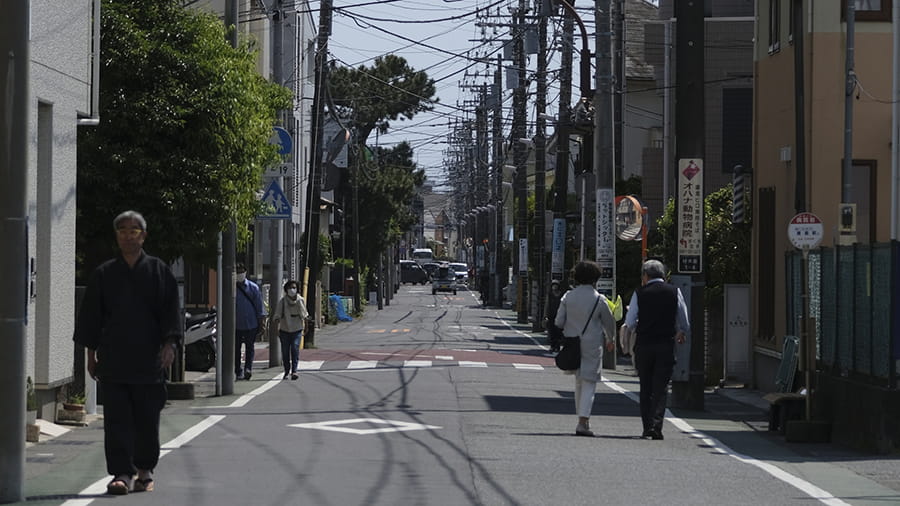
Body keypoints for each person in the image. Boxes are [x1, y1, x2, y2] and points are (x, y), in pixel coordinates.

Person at [73, 210, 182, 495]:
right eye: (122, 230)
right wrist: (90, 356)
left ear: (143, 236)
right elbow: (91, 319)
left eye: (134, 230)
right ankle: (122, 473)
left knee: (147, 418)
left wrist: (169, 345)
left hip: (150, 359)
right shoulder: (104, 274)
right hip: (114, 359)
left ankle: (144, 470)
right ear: (116, 236)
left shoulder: (159, 271)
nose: (128, 235)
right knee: (117, 420)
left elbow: (171, 313)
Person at [623, 259, 690, 440]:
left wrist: (640, 323)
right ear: (663, 275)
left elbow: (629, 322)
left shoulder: (640, 293)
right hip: (665, 345)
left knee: (645, 386)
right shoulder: (674, 291)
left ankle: (646, 427)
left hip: (644, 345)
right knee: (660, 388)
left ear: (645, 275)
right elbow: (683, 319)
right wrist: (681, 331)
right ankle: (657, 426)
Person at [554, 261, 617, 437]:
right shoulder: (599, 299)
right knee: (589, 382)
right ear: (595, 279)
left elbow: (558, 321)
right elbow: (609, 323)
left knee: (579, 382)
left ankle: (582, 419)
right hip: (592, 344)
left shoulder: (568, 297)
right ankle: (583, 422)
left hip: (572, 342)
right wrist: (611, 339)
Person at [271, 279, 309, 380]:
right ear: (286, 290)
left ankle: (294, 371)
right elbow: (277, 316)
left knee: (295, 349)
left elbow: (304, 315)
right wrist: (276, 329)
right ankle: (287, 370)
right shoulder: (283, 302)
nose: (292, 290)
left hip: (297, 329)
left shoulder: (300, 300)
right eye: (289, 288)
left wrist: (306, 327)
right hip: (284, 329)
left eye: (294, 288)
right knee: (285, 351)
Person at [235, 262, 265, 381]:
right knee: (236, 349)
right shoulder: (231, 287)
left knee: (249, 347)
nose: (239, 274)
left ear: (246, 272)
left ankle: (248, 368)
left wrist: (261, 323)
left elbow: (259, 306)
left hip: (251, 323)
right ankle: (238, 370)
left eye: (241, 271)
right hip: (235, 324)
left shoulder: (253, 287)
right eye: (237, 271)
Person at [545, 280, 565, 352]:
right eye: (553, 285)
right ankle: (552, 346)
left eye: (556, 285)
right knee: (551, 331)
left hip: (560, 315)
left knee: (559, 332)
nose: (554, 286)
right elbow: (547, 305)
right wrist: (545, 315)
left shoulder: (562, 295)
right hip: (551, 315)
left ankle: (557, 346)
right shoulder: (550, 295)